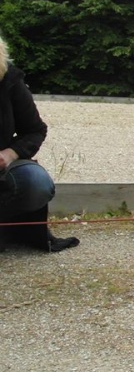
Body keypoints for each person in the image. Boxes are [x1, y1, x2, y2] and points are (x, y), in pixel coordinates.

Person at [0, 35, 79, 252]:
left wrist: (9, 154)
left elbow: (35, 130)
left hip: (2, 170)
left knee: (37, 182)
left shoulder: (10, 80)